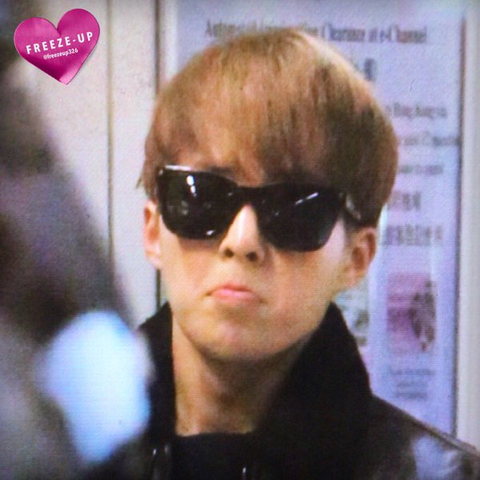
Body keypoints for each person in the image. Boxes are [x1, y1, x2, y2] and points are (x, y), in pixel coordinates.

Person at [140, 28, 480, 479]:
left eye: (294, 208)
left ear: (356, 257)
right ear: (152, 230)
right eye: (203, 195)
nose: (241, 239)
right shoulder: (55, 458)